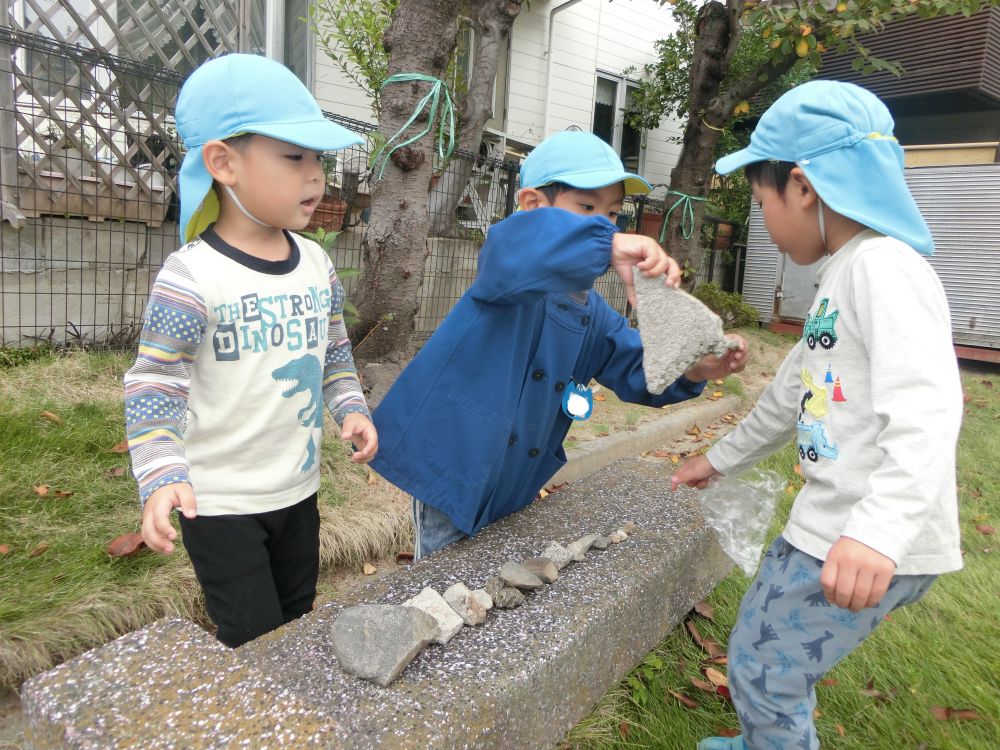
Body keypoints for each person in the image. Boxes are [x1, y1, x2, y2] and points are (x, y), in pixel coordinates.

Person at [671, 81, 963, 750]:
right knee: (759, 646)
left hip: (857, 536)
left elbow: (928, 406)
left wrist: (878, 533)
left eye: (760, 202)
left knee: (765, 668)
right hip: (830, 525)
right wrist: (716, 460)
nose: (764, 222)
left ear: (802, 186)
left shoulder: (884, 269)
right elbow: (788, 397)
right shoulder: (845, 273)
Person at [370, 130, 747, 559]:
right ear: (533, 206)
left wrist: (696, 368)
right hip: (453, 469)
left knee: (494, 578)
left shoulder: (592, 311)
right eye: (586, 208)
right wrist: (608, 243)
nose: (604, 225)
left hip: (517, 478)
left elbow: (637, 368)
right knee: (443, 587)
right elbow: (518, 248)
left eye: (611, 215)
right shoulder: (508, 271)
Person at [124, 54, 377, 648]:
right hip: (219, 505)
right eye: (295, 157)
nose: (316, 177)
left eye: (319, 159)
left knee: (297, 617)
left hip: (298, 490)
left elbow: (333, 353)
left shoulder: (315, 263)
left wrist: (352, 409)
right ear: (223, 163)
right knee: (255, 637)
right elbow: (155, 383)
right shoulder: (192, 278)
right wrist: (161, 475)